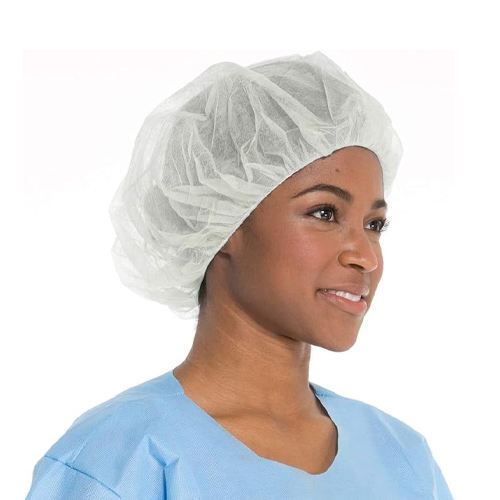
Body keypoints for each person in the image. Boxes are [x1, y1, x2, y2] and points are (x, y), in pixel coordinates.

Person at [25, 51, 454, 499]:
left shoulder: (402, 457)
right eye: (325, 213)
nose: (366, 256)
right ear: (220, 217)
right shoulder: (121, 459)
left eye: (375, 224)